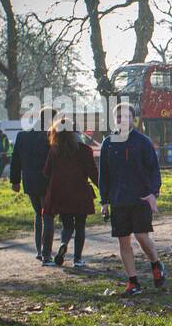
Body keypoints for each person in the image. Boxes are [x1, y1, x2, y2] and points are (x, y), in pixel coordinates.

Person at [98, 103, 165, 296]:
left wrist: (153, 193)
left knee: (141, 236)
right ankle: (133, 282)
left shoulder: (143, 142)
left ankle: (156, 263)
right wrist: (104, 201)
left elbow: (154, 170)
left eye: (126, 116)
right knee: (123, 242)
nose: (122, 120)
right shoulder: (108, 143)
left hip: (141, 198)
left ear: (133, 119)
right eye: (118, 117)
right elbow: (104, 174)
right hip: (119, 200)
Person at [42, 118, 100, 268]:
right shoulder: (84, 150)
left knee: (67, 225)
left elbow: (46, 172)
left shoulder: (54, 150)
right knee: (80, 226)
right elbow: (93, 173)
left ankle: (63, 243)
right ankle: (77, 259)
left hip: (60, 194)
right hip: (80, 192)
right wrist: (104, 189)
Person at [11, 108, 53, 261]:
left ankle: (39, 250)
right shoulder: (50, 136)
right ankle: (46, 253)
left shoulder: (22, 136)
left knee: (38, 214)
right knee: (47, 215)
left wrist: (15, 181)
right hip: (47, 181)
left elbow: (15, 160)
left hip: (29, 181)